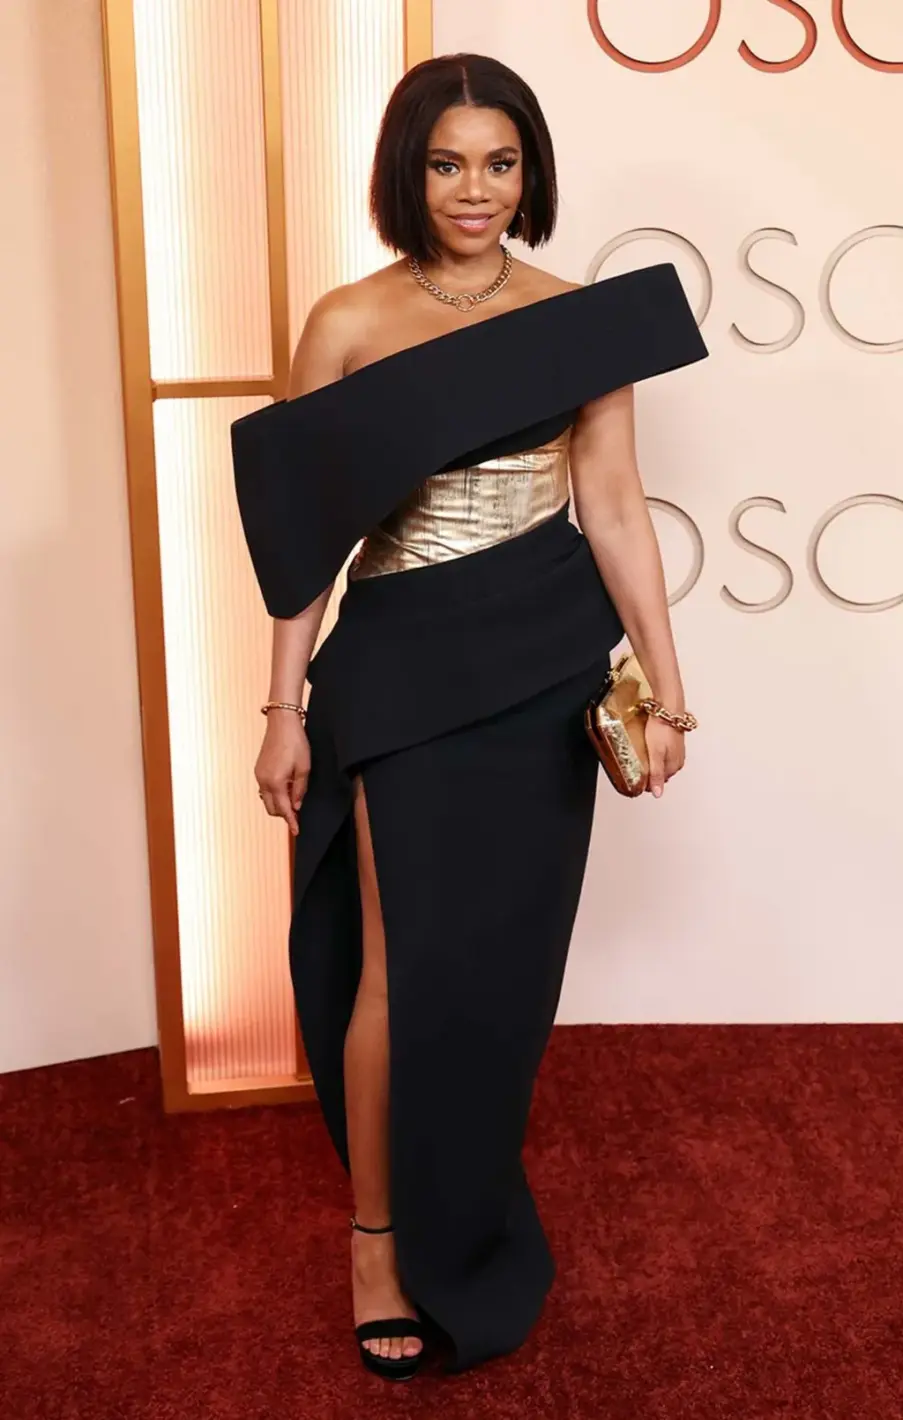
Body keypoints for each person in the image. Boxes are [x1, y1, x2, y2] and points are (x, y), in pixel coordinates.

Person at [231, 52, 707, 1381]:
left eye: (500, 162)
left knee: (502, 968)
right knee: (399, 969)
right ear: (408, 172)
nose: (475, 189)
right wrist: (281, 706)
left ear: (529, 171)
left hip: (544, 670)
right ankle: (378, 1242)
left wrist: (667, 693)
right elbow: (303, 541)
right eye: (447, 163)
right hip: (399, 672)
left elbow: (615, 507)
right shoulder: (346, 322)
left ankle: (469, 1210)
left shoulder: (579, 320)